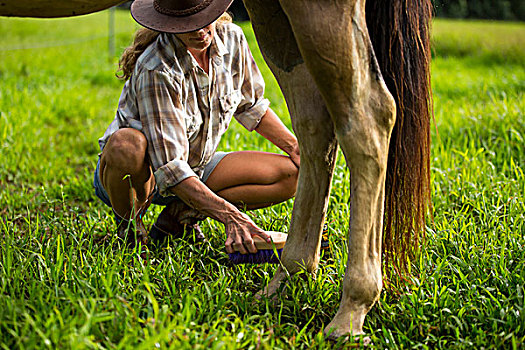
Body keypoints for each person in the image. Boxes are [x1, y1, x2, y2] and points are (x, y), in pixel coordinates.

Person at [93, 0, 300, 255]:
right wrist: (232, 217)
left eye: (204, 19)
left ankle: (177, 218)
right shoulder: (156, 67)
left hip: (195, 167)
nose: (200, 31)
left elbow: (250, 106)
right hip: (139, 178)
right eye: (187, 25)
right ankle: (130, 229)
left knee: (292, 174)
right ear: (167, 24)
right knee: (127, 144)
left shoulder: (232, 39)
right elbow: (170, 169)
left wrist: (297, 148)